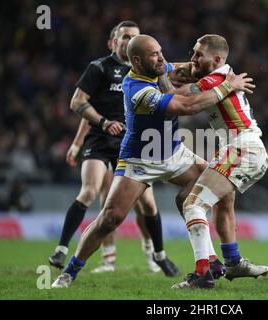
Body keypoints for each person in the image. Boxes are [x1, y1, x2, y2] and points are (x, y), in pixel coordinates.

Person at [50, 34, 255, 288]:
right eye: (154, 55)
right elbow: (187, 107)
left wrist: (215, 68)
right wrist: (227, 85)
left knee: (223, 189)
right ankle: (69, 271)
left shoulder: (159, 67)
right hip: (140, 161)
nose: (161, 58)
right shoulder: (137, 90)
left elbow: (191, 68)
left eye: (160, 51)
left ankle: (224, 260)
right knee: (110, 219)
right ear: (137, 61)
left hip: (175, 154)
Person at [48, 22, 177, 277]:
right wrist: (83, 138)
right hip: (100, 139)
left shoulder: (146, 69)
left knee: (147, 206)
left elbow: (171, 82)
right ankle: (63, 249)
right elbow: (80, 104)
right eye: (125, 37)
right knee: (93, 193)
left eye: (135, 38)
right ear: (113, 42)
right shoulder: (99, 68)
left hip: (132, 143)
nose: (130, 41)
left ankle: (156, 254)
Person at [163, 35, 268, 289]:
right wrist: (164, 66)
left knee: (192, 205)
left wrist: (157, 77)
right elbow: (182, 69)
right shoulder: (221, 75)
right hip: (239, 148)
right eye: (193, 52)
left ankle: (203, 276)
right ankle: (231, 262)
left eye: (199, 54)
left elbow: (177, 100)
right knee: (193, 199)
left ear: (218, 59)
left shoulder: (216, 80)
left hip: (244, 149)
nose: (193, 58)